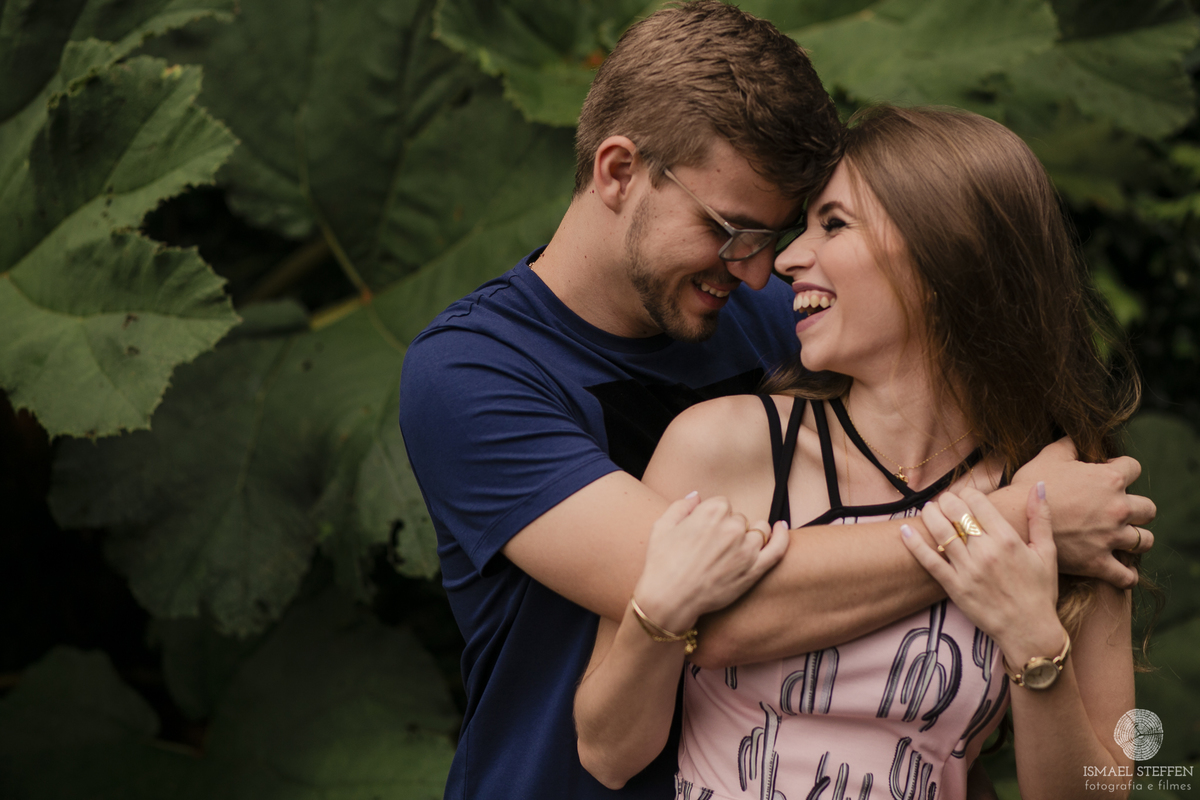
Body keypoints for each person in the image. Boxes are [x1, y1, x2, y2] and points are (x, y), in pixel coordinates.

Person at [398, 4, 1154, 799]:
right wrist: (1002, 526)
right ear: (618, 172)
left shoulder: (788, 315)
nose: (764, 273)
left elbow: (938, 395)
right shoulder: (471, 374)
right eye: (732, 231)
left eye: (779, 235)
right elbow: (717, 618)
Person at [574, 105, 1142, 800]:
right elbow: (607, 753)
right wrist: (655, 618)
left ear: (946, 255)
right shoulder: (725, 445)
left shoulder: (1070, 500)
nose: (784, 259)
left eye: (833, 224)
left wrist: (1032, 643)